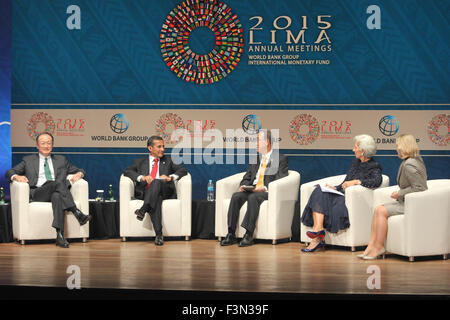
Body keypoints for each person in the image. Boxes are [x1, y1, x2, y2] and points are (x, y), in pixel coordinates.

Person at [6, 132, 91, 248]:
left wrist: (80, 174)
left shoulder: (61, 160)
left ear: (52, 145)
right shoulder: (28, 160)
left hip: (58, 192)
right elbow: (9, 172)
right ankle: (77, 212)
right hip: (38, 193)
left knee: (57, 196)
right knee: (57, 184)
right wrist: (16, 177)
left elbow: (79, 169)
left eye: (49, 143)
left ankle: (60, 236)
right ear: (37, 145)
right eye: (43, 143)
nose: (46, 146)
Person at [301, 134, 382, 253]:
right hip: (342, 195)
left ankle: (317, 238)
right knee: (319, 190)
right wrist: (335, 187)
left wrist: (356, 182)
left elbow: (376, 181)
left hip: (350, 200)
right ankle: (318, 229)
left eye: (355, 147)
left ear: (363, 151)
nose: (353, 150)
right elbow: (345, 183)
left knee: (322, 198)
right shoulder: (355, 163)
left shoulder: (374, 166)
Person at [358, 134, 427, 260]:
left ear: (404, 147)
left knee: (381, 210)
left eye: (398, 147)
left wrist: (399, 193)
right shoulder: (413, 160)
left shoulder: (409, 164)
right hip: (407, 203)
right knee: (378, 209)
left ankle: (378, 247)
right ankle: (372, 245)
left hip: (412, 205)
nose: (397, 149)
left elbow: (420, 188)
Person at [220, 129, 289, 247]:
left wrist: (265, 188)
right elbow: (247, 176)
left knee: (253, 197)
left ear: (267, 142)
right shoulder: (255, 158)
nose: (255, 143)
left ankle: (248, 234)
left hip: (267, 191)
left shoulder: (280, 158)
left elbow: (281, 179)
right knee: (236, 196)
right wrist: (243, 185)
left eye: (258, 140)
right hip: (253, 189)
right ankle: (231, 234)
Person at [123, 135, 187, 246]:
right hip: (146, 192)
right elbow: (128, 172)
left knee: (156, 182)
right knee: (156, 199)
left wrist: (170, 177)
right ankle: (159, 234)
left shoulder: (168, 161)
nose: (163, 149)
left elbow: (183, 170)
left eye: (163, 146)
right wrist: (142, 178)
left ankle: (143, 209)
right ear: (150, 148)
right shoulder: (139, 162)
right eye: (159, 147)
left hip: (165, 190)